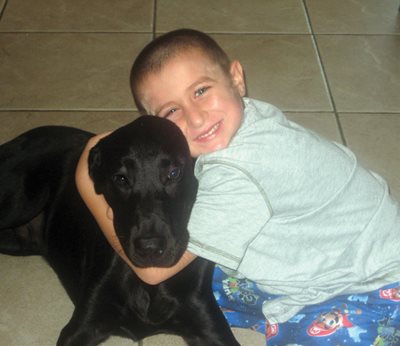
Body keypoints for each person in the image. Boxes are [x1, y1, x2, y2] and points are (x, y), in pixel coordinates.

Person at [76, 29, 400, 344]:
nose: (197, 118)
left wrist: (84, 177)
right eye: (172, 110)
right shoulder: (243, 118)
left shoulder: (240, 171)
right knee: (205, 281)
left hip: (372, 282)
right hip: (336, 248)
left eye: (201, 91)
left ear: (236, 78)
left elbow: (154, 272)